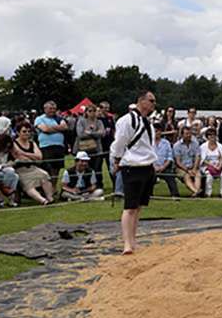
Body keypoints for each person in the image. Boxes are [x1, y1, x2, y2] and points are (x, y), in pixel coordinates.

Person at [110, 91, 158, 254]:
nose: (154, 104)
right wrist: (116, 161)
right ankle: (127, 244)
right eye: (151, 101)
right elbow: (119, 143)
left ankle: (133, 240)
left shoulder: (148, 123)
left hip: (147, 167)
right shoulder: (127, 120)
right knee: (129, 207)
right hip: (132, 167)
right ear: (141, 101)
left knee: (138, 207)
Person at [11, 121, 55, 205]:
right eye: (24, 131)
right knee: (27, 183)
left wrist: (24, 154)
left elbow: (39, 157)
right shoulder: (14, 144)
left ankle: (50, 198)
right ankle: (43, 201)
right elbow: (19, 157)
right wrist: (33, 157)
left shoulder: (32, 143)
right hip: (21, 170)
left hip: (33, 168)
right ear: (18, 132)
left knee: (44, 175)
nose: (27, 133)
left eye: (29, 131)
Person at [34, 100, 69, 187]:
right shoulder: (39, 119)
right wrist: (58, 128)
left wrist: (51, 128)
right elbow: (44, 129)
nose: (52, 110)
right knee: (47, 168)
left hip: (59, 146)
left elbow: (64, 127)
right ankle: (46, 188)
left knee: (56, 169)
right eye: (50, 108)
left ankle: (53, 187)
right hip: (46, 147)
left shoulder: (59, 118)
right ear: (45, 109)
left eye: (54, 109)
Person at [76, 104, 107, 188]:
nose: (92, 113)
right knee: (85, 168)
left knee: (97, 169)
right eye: (90, 111)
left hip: (97, 149)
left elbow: (103, 134)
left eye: (94, 111)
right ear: (86, 112)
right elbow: (80, 135)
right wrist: (96, 133)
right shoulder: (81, 122)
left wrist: (90, 133)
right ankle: (86, 185)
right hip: (84, 149)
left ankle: (97, 185)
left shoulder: (99, 122)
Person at [0, 133, 20, 207]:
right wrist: (2, 166)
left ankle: (4, 196)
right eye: (5, 147)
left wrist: (9, 164)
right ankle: (6, 196)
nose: (6, 149)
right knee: (12, 174)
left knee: (14, 175)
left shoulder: (5, 152)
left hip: (2, 171)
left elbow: (4, 163)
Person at [152, 123, 180, 199]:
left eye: (159, 131)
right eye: (156, 131)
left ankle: (175, 195)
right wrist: (154, 167)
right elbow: (145, 157)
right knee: (148, 177)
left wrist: (163, 167)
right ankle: (149, 195)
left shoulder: (166, 143)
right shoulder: (147, 143)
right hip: (151, 168)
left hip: (164, 167)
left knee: (171, 177)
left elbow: (170, 157)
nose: (158, 133)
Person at [173, 125, 203, 197]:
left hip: (192, 166)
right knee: (186, 176)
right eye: (186, 134)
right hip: (181, 167)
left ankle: (195, 193)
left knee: (198, 175)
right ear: (182, 135)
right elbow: (177, 161)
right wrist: (187, 170)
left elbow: (197, 157)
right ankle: (196, 191)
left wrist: (194, 169)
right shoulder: (177, 146)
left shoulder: (195, 143)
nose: (189, 135)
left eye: (190, 133)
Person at [200, 129, 222, 198]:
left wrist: (219, 166)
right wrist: (212, 165)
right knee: (209, 177)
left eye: (214, 135)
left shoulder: (220, 146)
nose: (212, 136)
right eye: (210, 135)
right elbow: (203, 159)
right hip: (207, 166)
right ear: (207, 136)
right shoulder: (203, 147)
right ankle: (208, 193)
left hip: (219, 166)